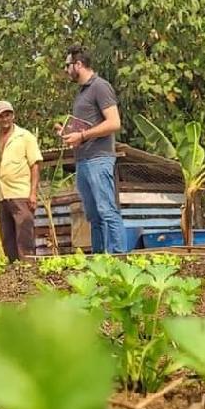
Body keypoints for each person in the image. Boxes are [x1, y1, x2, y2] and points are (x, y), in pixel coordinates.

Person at [57, 45, 126, 254]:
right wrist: (68, 133)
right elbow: (85, 127)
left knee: (107, 211)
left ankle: (119, 257)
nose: (66, 70)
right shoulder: (82, 92)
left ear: (78, 64)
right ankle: (99, 259)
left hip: (99, 158)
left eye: (67, 65)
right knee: (94, 215)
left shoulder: (100, 87)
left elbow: (114, 123)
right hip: (83, 160)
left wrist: (83, 136)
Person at [0, 100, 42, 261]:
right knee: (7, 236)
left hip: (21, 192)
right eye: (0, 116)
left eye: (7, 115)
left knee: (24, 235)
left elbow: (35, 164)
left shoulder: (25, 136)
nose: (5, 119)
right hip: (2, 194)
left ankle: (28, 267)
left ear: (13, 115)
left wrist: (33, 193)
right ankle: (13, 270)